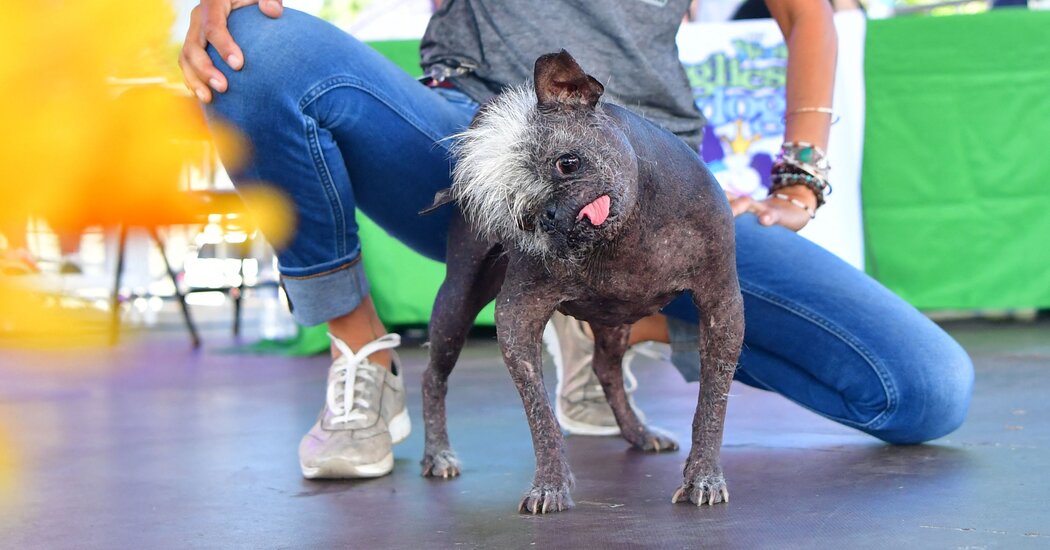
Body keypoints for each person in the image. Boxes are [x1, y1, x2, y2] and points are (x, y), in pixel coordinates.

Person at [179, 0, 973, 480]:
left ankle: (613, 318)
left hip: (655, 183)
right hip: (480, 150)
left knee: (926, 388)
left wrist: (799, 178)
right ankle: (363, 355)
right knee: (252, 43)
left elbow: (808, 14)